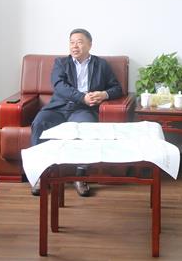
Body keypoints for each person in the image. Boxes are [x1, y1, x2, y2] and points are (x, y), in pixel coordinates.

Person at [29, 28, 123, 197]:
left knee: (86, 128)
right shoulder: (61, 63)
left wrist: (104, 94)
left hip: (83, 109)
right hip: (59, 107)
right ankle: (40, 175)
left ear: (90, 45)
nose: (74, 46)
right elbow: (59, 86)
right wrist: (82, 97)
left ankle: (80, 176)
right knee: (39, 123)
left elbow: (117, 88)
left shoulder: (101, 65)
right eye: (72, 42)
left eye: (79, 42)